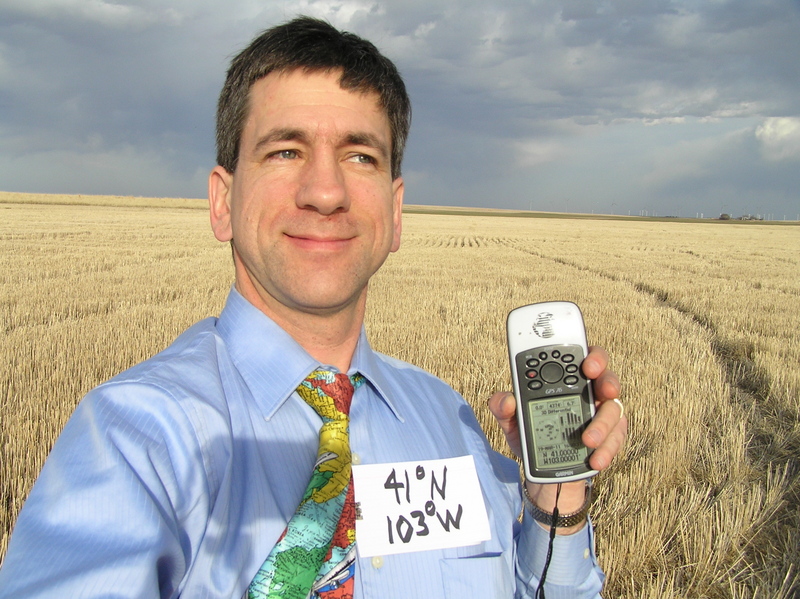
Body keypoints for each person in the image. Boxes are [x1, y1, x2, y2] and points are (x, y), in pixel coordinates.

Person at [0, 16, 626, 598]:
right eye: (285, 151)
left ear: (396, 209)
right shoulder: (138, 441)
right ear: (222, 203)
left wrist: (553, 507)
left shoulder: (451, 421)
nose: (326, 192)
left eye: (360, 155)